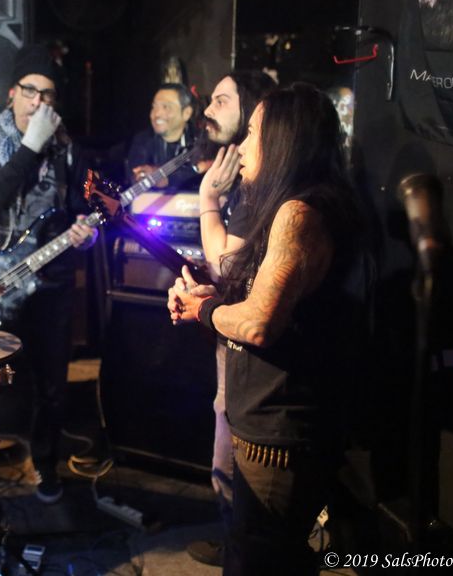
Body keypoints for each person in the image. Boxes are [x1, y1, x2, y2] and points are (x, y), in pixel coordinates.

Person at [169, 83, 368, 574]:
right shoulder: (287, 206)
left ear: (281, 139)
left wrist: (205, 310)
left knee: (261, 560)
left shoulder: (300, 213)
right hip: (265, 422)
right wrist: (207, 300)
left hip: (280, 432)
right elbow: (255, 295)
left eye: (253, 132)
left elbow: (259, 322)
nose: (241, 146)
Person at [0, 44, 97, 503]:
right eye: (30, 92)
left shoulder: (68, 150)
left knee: (52, 384)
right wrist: (31, 144)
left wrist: (86, 234)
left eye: (47, 95)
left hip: (52, 279)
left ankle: (45, 463)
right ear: (12, 93)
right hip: (0, 281)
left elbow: (82, 211)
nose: (38, 103)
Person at [187, 70, 276, 566]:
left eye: (221, 101)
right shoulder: (243, 178)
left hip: (252, 351)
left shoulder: (258, 184)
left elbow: (227, 265)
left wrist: (207, 201)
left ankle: (243, 551)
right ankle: (238, 543)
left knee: (232, 451)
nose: (208, 110)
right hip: (234, 336)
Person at [126, 82, 199, 190]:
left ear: (186, 113)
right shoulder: (142, 141)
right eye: (154, 107)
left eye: (166, 107)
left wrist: (166, 178)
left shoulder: (200, 141)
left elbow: (202, 171)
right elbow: (136, 177)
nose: (156, 114)